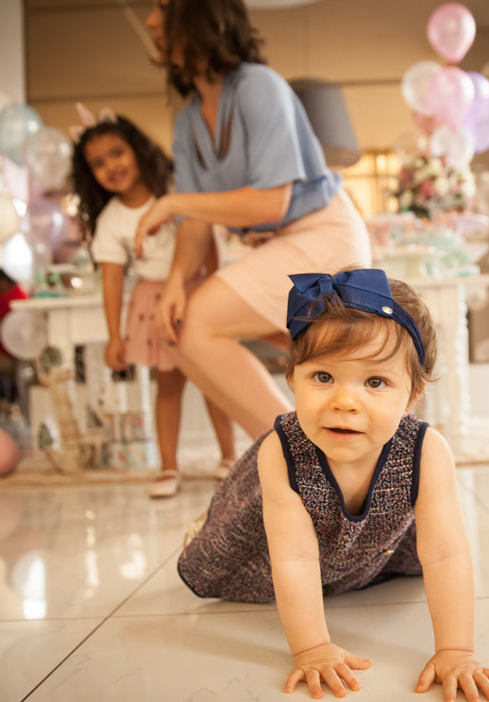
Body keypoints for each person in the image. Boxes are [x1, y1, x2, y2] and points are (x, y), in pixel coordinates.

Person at [178, 269, 489, 702]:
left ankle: (355, 563)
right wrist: (312, 648)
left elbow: (445, 552)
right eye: (323, 377)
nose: (345, 401)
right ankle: (205, 521)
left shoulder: (426, 450)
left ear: (412, 395)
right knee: (261, 548)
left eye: (375, 382)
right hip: (273, 542)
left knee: (412, 555)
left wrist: (456, 650)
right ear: (293, 379)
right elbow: (293, 558)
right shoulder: (282, 452)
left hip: (368, 548)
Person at [138, 0, 372, 442]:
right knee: (175, 326)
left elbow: (269, 204)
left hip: (322, 234)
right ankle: (286, 456)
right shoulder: (188, 120)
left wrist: (172, 203)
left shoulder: (258, 87)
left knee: (197, 323)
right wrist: (174, 283)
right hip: (280, 245)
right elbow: (196, 220)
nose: (151, 20)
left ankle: (299, 455)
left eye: (164, 6)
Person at [71, 110, 235, 498]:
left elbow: (206, 235)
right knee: (168, 386)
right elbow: (111, 280)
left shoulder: (176, 191)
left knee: (215, 382)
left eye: (117, 153)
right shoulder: (111, 220)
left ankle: (230, 457)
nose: (111, 166)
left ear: (137, 150)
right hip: (151, 301)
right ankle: (168, 466)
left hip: (197, 292)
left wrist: (215, 282)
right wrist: (115, 337)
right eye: (98, 163)